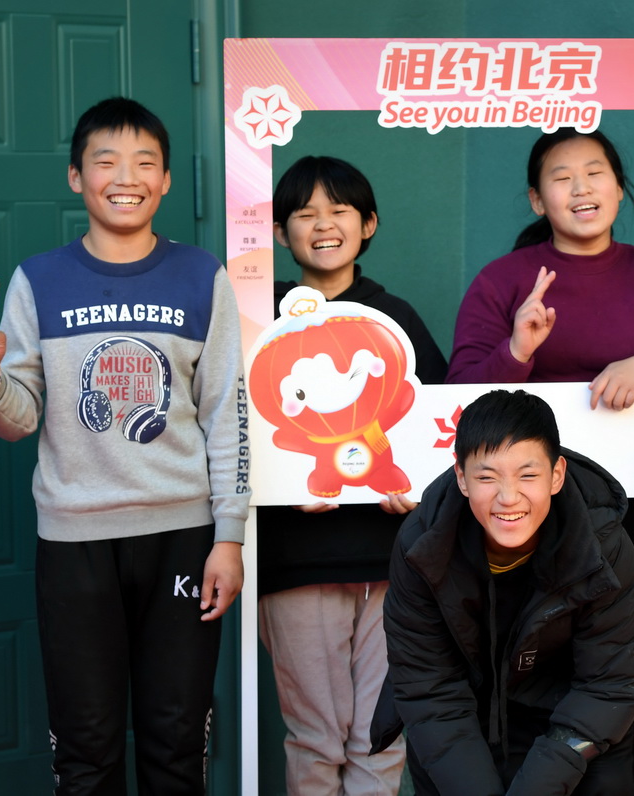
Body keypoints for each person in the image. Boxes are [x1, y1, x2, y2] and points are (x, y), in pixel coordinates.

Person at [0, 97, 248, 795]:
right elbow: (18, 419)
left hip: (183, 535)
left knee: (178, 741)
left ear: (167, 180)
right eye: (106, 160)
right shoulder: (39, 280)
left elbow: (227, 410)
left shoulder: (201, 276)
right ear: (76, 177)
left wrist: (229, 535)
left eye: (145, 161)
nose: (127, 176)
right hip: (74, 541)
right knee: (85, 749)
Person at [447, 128, 634, 792]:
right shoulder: (503, 283)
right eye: (562, 177)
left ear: (619, 186)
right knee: (524, 696)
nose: (582, 188)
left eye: (596, 172)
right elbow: (461, 396)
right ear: (537, 199)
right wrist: (519, 350)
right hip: (518, 522)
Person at [257, 155, 447, 795]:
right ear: (281, 233)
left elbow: (441, 417)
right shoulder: (261, 321)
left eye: (339, 210)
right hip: (296, 558)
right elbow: (240, 422)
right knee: (315, 736)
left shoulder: (394, 318)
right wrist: (287, 491)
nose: (323, 224)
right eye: (304, 214)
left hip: (394, 558)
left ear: (368, 224)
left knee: (382, 734)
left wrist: (415, 487)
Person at [372, 389, 634, 795]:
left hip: (573, 717)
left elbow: (610, 684)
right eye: (487, 477)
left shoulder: (603, 545)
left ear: (556, 476)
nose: (508, 497)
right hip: (460, 718)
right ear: (462, 478)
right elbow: (429, 689)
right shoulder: (422, 547)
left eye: (528, 475)